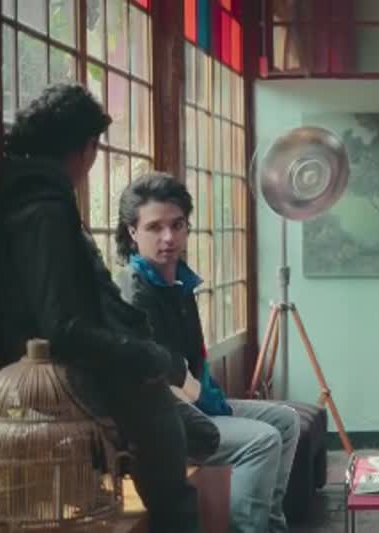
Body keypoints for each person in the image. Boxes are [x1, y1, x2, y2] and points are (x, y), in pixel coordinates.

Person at [0, 83, 209, 533]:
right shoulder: (44, 209)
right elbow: (62, 328)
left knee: (199, 431)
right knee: (180, 456)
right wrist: (147, 355)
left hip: (78, 361)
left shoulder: (35, 195)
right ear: (85, 147)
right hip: (63, 374)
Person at [113, 173, 302, 533]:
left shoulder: (177, 281)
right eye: (154, 227)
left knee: (285, 421)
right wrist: (203, 395)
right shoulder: (135, 291)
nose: (169, 238)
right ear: (132, 232)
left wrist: (205, 393)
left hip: (192, 403)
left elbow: (189, 365)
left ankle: (270, 527)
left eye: (177, 225)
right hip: (161, 420)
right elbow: (164, 374)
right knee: (262, 440)